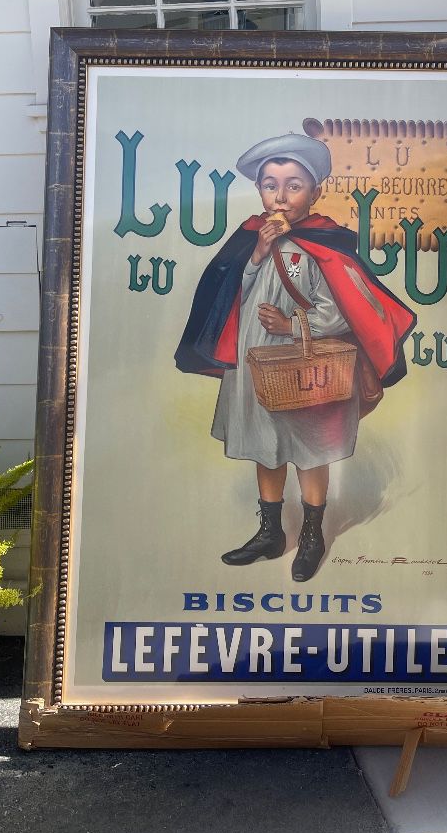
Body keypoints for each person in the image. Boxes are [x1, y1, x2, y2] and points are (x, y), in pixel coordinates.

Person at [175, 133, 416, 582]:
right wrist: (257, 255)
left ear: (315, 192)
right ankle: (270, 532)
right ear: (259, 190)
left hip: (307, 366)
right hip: (256, 362)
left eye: (293, 185)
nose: (281, 196)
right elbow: (229, 293)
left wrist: (292, 325)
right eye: (271, 185)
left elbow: (342, 309)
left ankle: (311, 535)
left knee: (309, 448)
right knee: (264, 446)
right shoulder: (251, 237)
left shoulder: (325, 242)